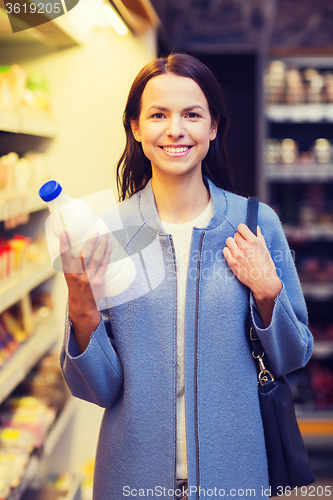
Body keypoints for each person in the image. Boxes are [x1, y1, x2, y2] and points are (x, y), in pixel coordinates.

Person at [59, 53, 313, 500]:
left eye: (192, 114)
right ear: (136, 128)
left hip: (235, 478)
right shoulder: (109, 234)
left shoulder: (255, 224)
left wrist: (269, 295)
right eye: (158, 114)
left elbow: (293, 358)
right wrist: (82, 310)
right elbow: (98, 390)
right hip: (130, 480)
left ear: (213, 126)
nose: (175, 129)